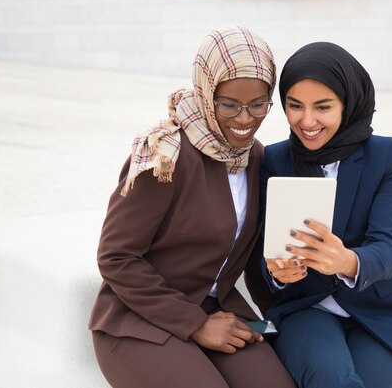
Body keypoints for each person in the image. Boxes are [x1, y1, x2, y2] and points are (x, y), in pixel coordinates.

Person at [88, 26, 296, 388]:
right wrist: (195, 324)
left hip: (219, 310)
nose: (245, 119)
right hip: (138, 321)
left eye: (258, 104)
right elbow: (115, 256)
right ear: (206, 93)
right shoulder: (165, 155)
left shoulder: (255, 157)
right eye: (229, 104)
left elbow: (251, 255)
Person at [259, 42, 392, 388]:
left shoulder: (389, 155)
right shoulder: (275, 160)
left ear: (348, 104)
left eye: (323, 107)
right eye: (295, 106)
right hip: (306, 309)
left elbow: (388, 248)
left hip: (383, 313)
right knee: (331, 380)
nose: (306, 121)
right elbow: (265, 248)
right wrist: (277, 271)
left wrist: (347, 260)